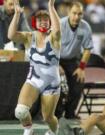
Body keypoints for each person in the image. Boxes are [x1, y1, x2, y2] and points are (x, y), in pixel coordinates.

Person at [8, 0, 61, 135]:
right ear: (34, 23)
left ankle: (54, 132)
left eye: (46, 20)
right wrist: (17, 14)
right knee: (20, 111)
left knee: (48, 117)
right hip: (34, 80)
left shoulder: (54, 38)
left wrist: (51, 7)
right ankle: (28, 128)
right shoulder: (29, 36)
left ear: (50, 22)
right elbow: (11, 36)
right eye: (40, 20)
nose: (43, 22)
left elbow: (57, 29)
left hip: (52, 83)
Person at [57, 1, 93, 119]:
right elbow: (51, 47)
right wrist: (56, 65)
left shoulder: (85, 27)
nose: (77, 17)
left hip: (72, 60)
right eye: (74, 13)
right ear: (68, 12)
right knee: (58, 86)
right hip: (57, 59)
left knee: (78, 82)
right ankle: (56, 114)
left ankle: (70, 114)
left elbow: (87, 49)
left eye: (80, 14)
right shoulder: (60, 25)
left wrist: (81, 68)